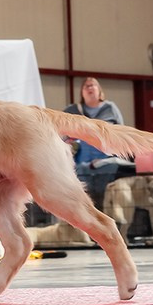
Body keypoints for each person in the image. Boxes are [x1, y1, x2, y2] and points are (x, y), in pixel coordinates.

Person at [63, 77, 132, 208]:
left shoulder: (110, 108)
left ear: (100, 91)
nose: (89, 88)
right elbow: (60, 134)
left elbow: (122, 134)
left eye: (92, 85)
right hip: (80, 168)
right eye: (86, 86)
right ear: (81, 93)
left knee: (107, 203)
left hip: (107, 166)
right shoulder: (72, 111)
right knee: (83, 204)